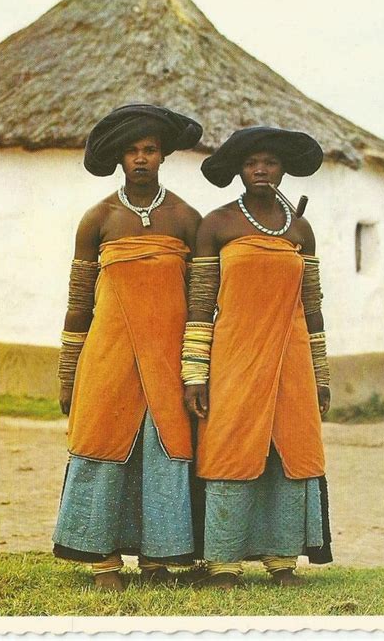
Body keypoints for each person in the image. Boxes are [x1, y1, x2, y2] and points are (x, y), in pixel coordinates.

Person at [53, 104, 204, 591]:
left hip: (166, 361)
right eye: (132, 151)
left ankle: (159, 560)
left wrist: (197, 368)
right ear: (119, 158)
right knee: (103, 448)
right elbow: (79, 305)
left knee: (164, 454)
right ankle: (105, 562)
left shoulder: (186, 219)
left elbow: (204, 303)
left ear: (163, 156)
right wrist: (67, 373)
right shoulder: (98, 219)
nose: (141, 158)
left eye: (150, 150)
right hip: (107, 359)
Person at [182, 126, 333, 589]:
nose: (261, 169)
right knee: (230, 448)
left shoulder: (300, 229)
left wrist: (321, 374)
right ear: (238, 171)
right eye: (252, 163)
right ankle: (223, 562)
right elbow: (200, 304)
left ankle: (282, 559)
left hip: (292, 358)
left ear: (284, 168)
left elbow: (313, 307)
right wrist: (195, 373)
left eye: (270, 161)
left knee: (290, 451)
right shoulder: (218, 224)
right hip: (234, 357)